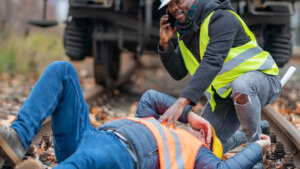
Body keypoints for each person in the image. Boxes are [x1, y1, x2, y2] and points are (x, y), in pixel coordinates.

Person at [0, 61, 270, 169]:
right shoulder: (160, 122)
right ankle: (18, 137)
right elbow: (150, 97)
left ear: (208, 148)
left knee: (92, 157)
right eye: (204, 129)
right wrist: (189, 116)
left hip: (120, 156)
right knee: (63, 71)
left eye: (207, 136)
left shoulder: (196, 157)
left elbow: (227, 167)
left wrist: (259, 145)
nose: (204, 131)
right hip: (89, 136)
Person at [157, 0, 282, 168]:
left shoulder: (222, 19)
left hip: (262, 82)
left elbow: (212, 62)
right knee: (201, 147)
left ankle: (257, 152)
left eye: (178, 1)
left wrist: (182, 103)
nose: (174, 8)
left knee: (241, 85)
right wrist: (165, 46)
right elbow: (178, 72)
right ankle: (246, 134)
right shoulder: (185, 32)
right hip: (225, 97)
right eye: (170, 5)